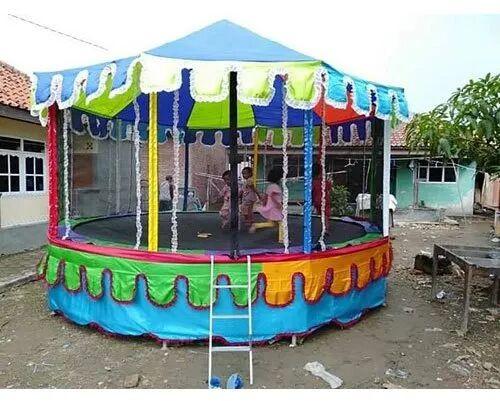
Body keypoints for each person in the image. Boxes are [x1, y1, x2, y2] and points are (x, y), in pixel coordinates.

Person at [249, 167, 284, 238]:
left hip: (271, 207)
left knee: (272, 223)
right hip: (275, 207)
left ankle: (256, 225)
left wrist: (264, 203)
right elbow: (274, 197)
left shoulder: (270, 186)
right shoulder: (275, 187)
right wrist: (279, 204)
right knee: (281, 223)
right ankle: (282, 239)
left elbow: (266, 196)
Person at [312, 163, 332, 233]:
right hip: (325, 199)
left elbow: (312, 191)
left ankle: (324, 227)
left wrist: (313, 200)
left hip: (317, 200)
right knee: (325, 215)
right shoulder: (324, 182)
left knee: (321, 214)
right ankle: (326, 229)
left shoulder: (314, 182)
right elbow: (329, 187)